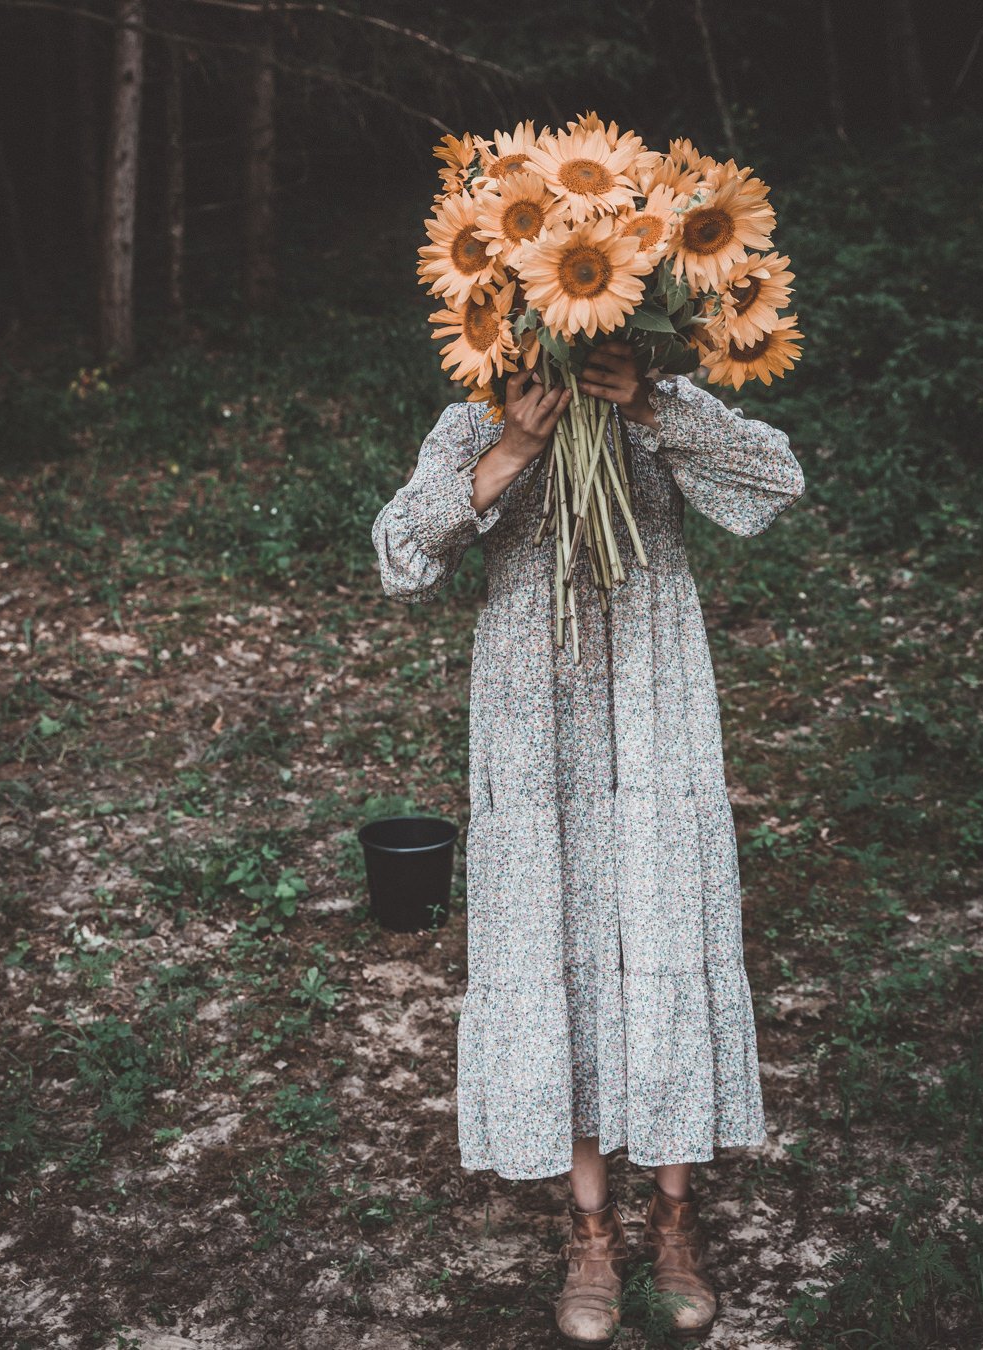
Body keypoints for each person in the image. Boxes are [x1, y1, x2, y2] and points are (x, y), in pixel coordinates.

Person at [370, 340, 806, 1344]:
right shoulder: (481, 417)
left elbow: (775, 479)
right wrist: (516, 445)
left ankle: (677, 1218)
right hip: (537, 717)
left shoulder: (658, 405)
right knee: (554, 939)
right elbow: (399, 557)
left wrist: (651, 409)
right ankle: (592, 1227)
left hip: (655, 702)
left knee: (662, 921)